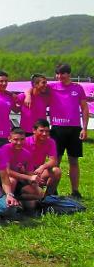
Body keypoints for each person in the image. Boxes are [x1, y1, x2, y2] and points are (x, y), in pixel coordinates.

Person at [47, 64, 88, 199]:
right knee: (55, 161)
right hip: (57, 128)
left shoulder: (77, 88)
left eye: (62, 74)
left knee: (73, 161)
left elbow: (84, 108)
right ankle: (53, 190)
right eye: (57, 74)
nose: (60, 77)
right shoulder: (51, 87)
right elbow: (33, 88)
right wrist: (28, 95)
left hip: (74, 129)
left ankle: (75, 191)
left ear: (69, 74)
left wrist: (84, 128)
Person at [3, 128, 45, 211]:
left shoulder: (27, 154)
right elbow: (7, 171)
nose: (19, 142)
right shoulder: (5, 149)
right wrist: (28, 178)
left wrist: (35, 180)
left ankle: (18, 200)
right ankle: (7, 202)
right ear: (9, 139)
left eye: (22, 139)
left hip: (20, 182)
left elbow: (29, 173)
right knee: (12, 180)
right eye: (16, 139)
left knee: (39, 193)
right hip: (4, 182)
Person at [22, 119, 62, 196]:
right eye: (41, 131)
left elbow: (54, 161)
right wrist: (32, 176)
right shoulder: (25, 142)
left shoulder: (50, 142)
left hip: (38, 171)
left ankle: (48, 197)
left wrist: (43, 167)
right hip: (25, 173)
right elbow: (20, 165)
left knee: (56, 171)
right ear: (34, 130)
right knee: (35, 196)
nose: (44, 134)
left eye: (47, 131)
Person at [0, 71, 18, 147]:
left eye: (6, 81)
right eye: (1, 81)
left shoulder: (10, 96)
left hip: (5, 134)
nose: (4, 83)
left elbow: (16, 110)